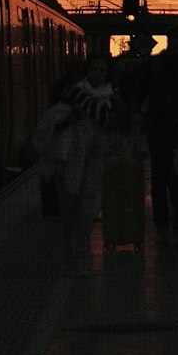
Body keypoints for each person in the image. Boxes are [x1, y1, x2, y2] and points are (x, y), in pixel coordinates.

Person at [54, 54, 122, 276]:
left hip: (95, 154)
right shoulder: (72, 94)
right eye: (94, 69)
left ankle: (80, 252)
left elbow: (113, 120)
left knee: (87, 204)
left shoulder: (110, 96)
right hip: (71, 154)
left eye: (102, 70)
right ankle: (69, 252)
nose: (98, 74)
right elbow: (54, 121)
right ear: (86, 71)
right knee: (70, 203)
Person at [141, 23, 178, 235]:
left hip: (168, 128)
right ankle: (177, 222)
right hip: (173, 128)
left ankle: (165, 223)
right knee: (177, 177)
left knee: (164, 177)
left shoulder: (155, 64)